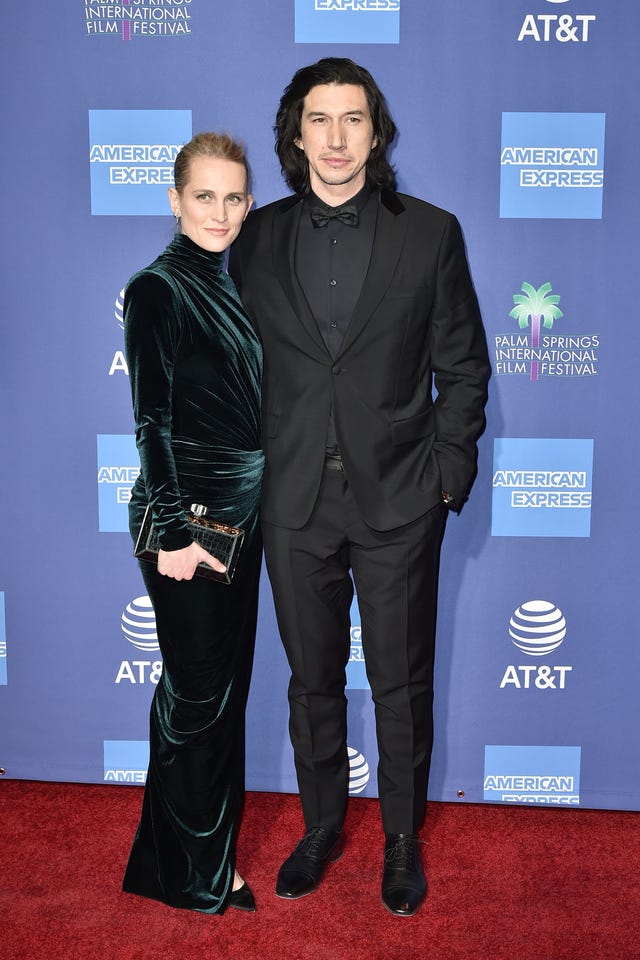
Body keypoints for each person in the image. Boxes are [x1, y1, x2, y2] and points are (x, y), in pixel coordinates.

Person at [229, 58, 490, 917]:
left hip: (399, 499)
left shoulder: (431, 233)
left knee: (400, 683)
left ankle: (403, 840)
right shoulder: (255, 239)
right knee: (312, 683)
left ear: (375, 132)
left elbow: (463, 366)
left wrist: (447, 475)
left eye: (352, 119)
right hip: (293, 502)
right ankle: (319, 827)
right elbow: (228, 374)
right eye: (319, 120)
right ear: (294, 133)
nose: (336, 138)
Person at [121, 132, 264, 914]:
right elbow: (152, 426)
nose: (219, 211)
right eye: (203, 195)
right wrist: (174, 535)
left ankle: (169, 861)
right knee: (201, 701)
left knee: (206, 699)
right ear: (174, 200)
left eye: (233, 197)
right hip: (189, 525)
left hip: (238, 520)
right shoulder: (158, 290)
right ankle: (200, 875)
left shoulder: (228, 282)